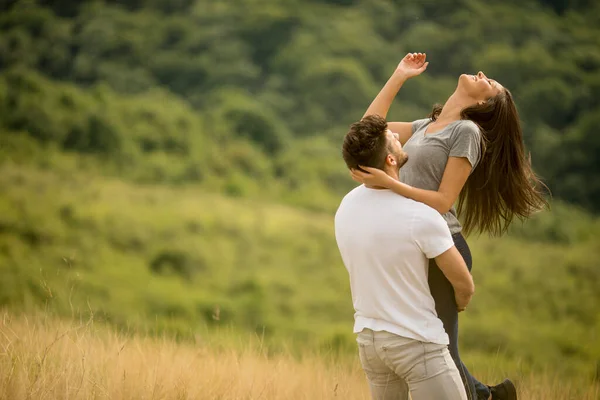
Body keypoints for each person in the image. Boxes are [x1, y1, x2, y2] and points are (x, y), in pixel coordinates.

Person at [350, 52, 548, 400]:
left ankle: (483, 396)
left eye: (490, 83)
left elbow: (442, 201)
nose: (483, 73)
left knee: (438, 348)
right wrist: (398, 76)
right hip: (414, 242)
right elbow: (369, 129)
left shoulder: (466, 132)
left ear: (484, 102)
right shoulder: (428, 126)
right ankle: (489, 395)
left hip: (443, 245)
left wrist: (390, 183)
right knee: (425, 341)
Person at [335, 114, 475, 400]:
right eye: (392, 140)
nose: (397, 136)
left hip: (369, 341)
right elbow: (464, 285)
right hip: (416, 343)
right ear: (389, 161)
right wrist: (457, 303)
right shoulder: (422, 216)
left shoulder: (347, 205)